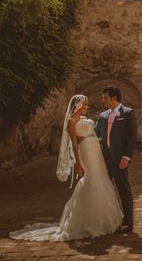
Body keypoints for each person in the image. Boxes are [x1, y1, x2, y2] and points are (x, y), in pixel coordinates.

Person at [10, 95, 123, 241]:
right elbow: (75, 143)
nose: (87, 107)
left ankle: (106, 218)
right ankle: (91, 220)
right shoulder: (71, 121)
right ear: (78, 105)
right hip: (85, 150)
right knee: (92, 176)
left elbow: (93, 133)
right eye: (85, 105)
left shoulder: (83, 119)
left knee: (101, 175)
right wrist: (77, 162)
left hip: (95, 149)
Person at [95, 85, 136, 233]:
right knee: (102, 189)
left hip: (120, 159)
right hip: (104, 160)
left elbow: (131, 138)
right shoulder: (103, 116)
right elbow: (94, 134)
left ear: (114, 98)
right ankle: (105, 220)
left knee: (123, 190)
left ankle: (128, 222)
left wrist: (126, 157)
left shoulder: (128, 113)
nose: (103, 100)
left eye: (105, 97)